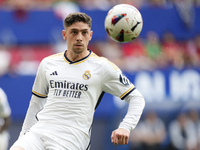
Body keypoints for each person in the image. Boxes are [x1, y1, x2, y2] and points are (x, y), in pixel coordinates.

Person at [10, 12, 145, 150]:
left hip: (72, 139)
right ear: (64, 34)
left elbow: (137, 98)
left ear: (90, 35)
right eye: (74, 32)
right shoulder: (48, 63)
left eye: (84, 32)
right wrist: (23, 137)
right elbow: (35, 104)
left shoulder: (102, 67)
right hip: (39, 132)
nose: (79, 38)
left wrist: (125, 126)